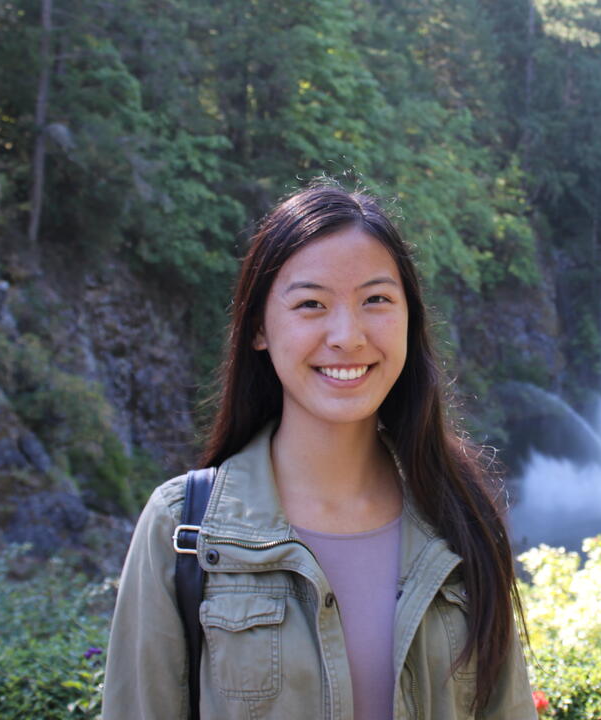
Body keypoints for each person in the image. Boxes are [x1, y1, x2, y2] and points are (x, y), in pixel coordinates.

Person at [102, 183, 535, 720]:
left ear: (409, 318)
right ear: (259, 326)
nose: (347, 336)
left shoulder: (461, 518)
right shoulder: (183, 531)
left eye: (376, 300)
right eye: (311, 304)